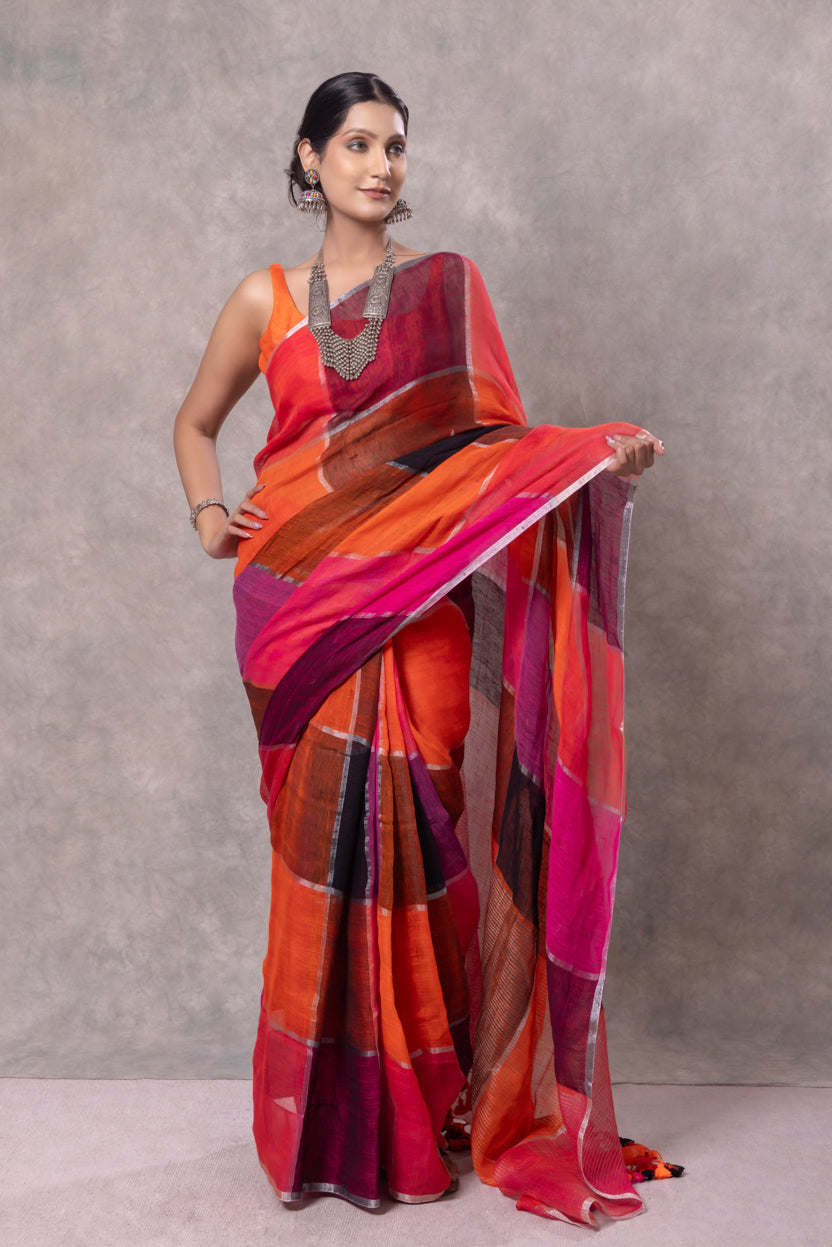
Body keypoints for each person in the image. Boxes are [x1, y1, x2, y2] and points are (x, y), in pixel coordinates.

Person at [173, 71, 674, 1227]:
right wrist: (211, 519)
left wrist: (593, 456)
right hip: (297, 607)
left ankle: (426, 1106)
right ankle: (327, 1123)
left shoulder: (449, 294)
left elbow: (494, 452)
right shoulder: (262, 297)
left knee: (421, 839)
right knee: (316, 861)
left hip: (419, 613)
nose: (381, 165)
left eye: (395, 146)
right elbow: (195, 423)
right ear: (309, 162)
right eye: (355, 144)